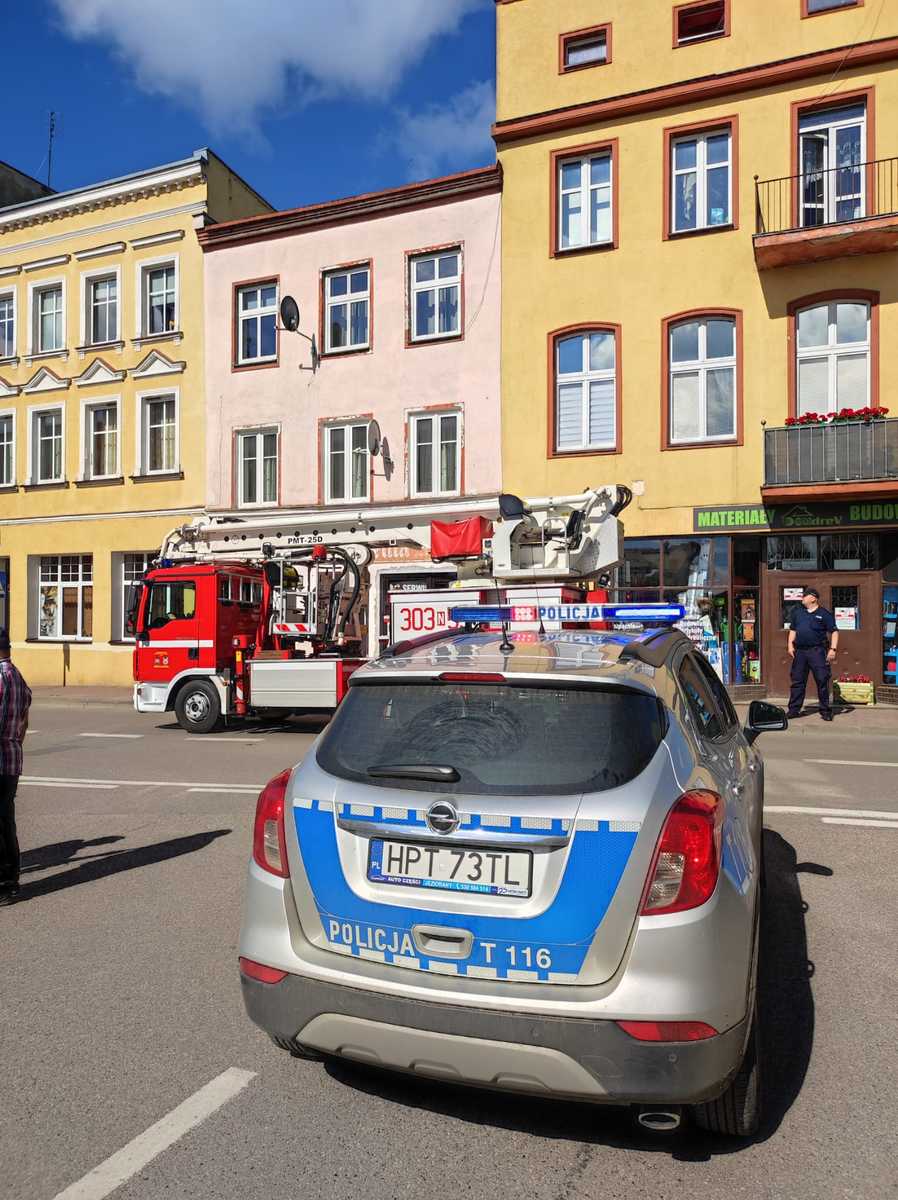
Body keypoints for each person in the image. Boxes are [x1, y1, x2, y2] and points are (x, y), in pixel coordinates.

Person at [0, 629, 32, 904]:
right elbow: (24, 720)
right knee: (6, 822)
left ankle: (4, 885)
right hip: (11, 758)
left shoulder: (0, 677)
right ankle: (11, 880)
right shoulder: (18, 676)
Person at [787, 587, 838, 721]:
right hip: (800, 652)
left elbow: (834, 632)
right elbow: (793, 630)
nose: (802, 598)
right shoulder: (798, 613)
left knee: (822, 680)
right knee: (797, 681)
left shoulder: (824, 614)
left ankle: (825, 710)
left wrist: (833, 649)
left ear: (813, 598)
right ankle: (793, 710)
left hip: (817, 651)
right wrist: (790, 645)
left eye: (805, 595)